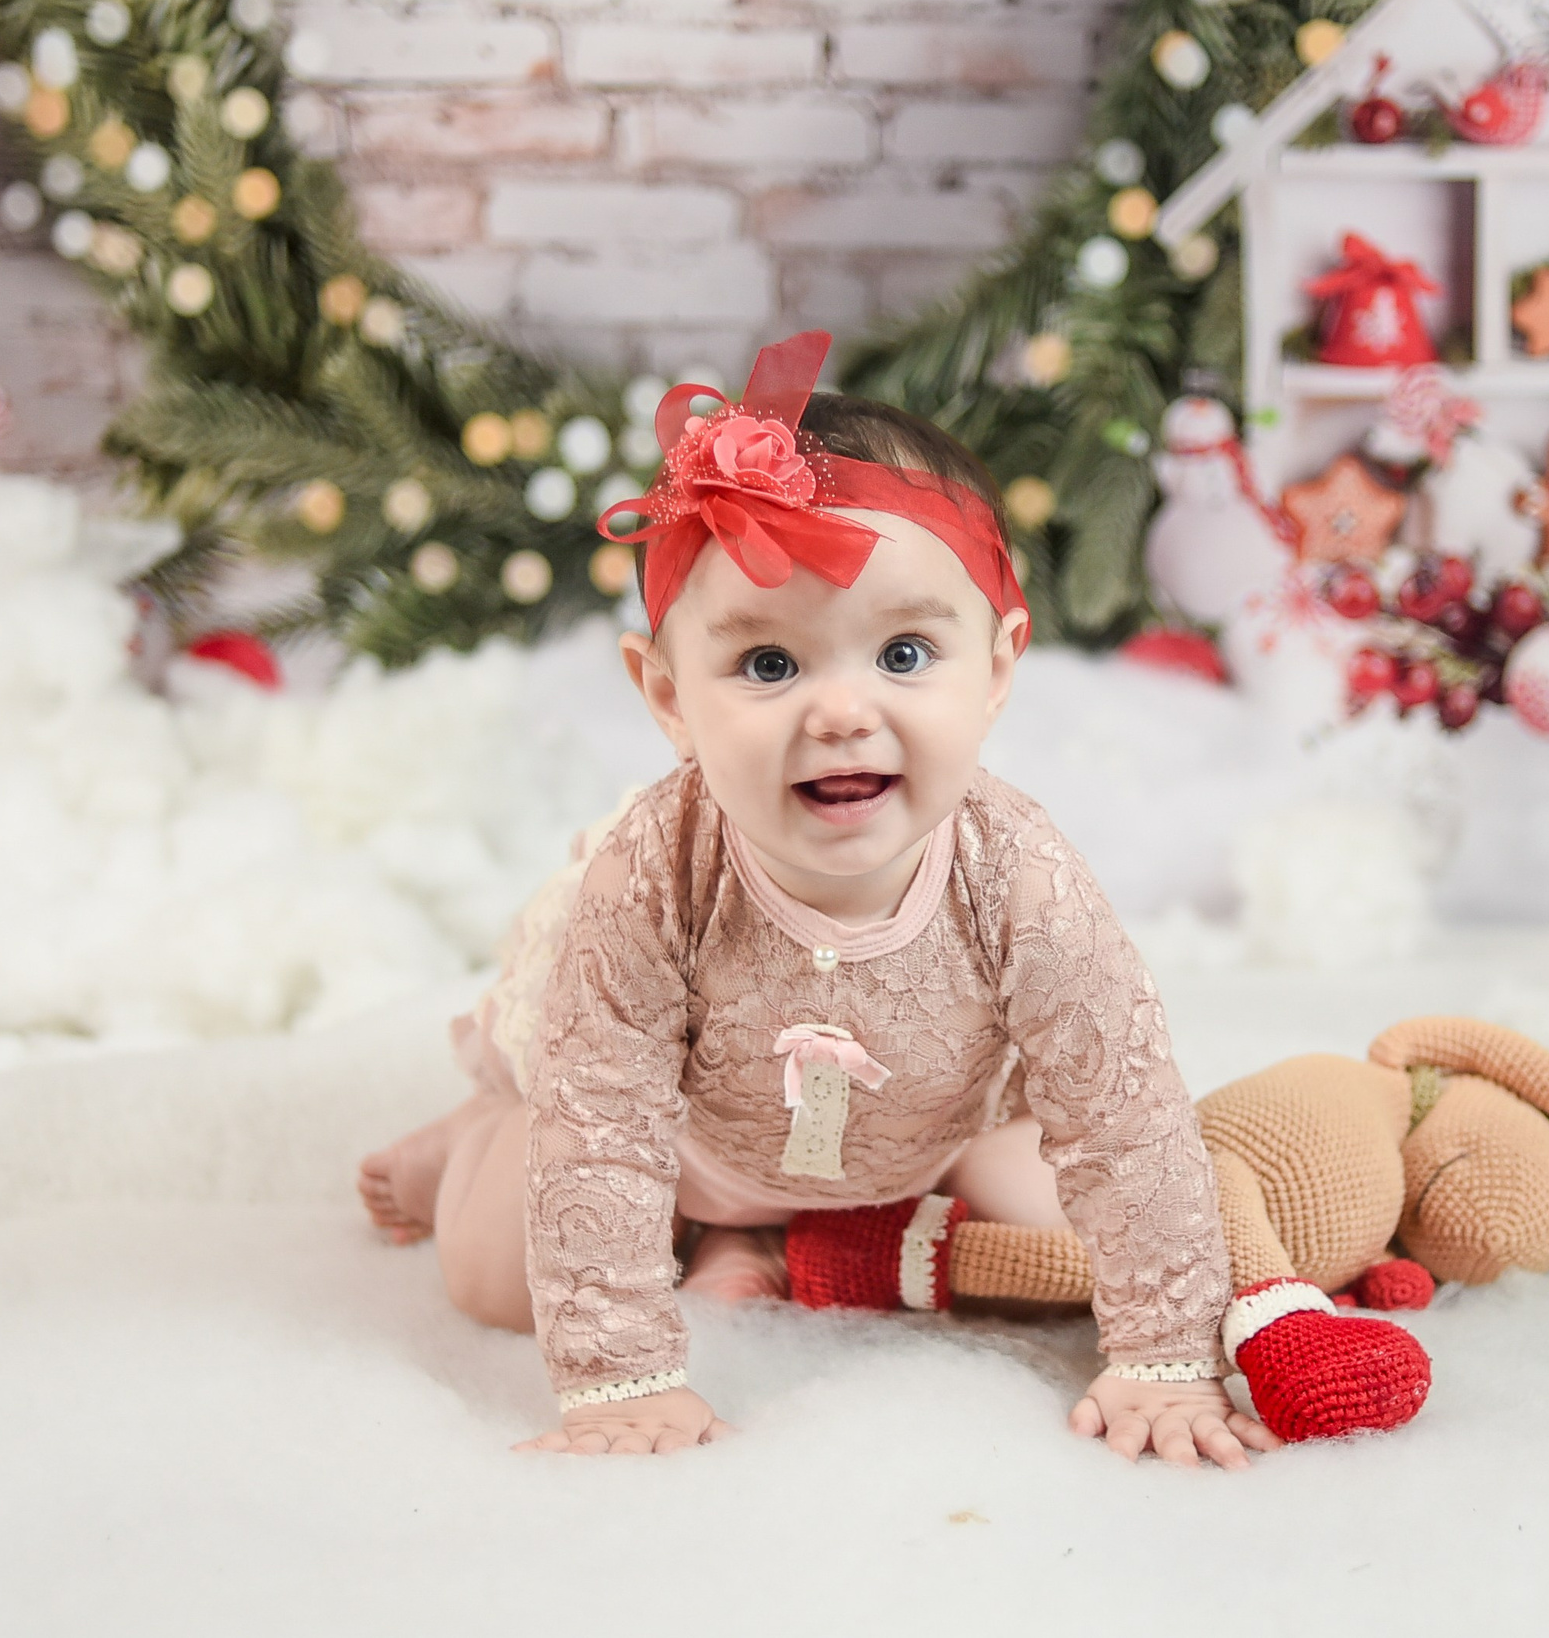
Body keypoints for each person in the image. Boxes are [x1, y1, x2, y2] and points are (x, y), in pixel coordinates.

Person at [358, 332, 1268, 1467]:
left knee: (1050, 1202)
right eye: (770, 666)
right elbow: (604, 1119)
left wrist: (1162, 1357)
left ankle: (770, 1247)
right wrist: (620, 1378)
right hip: (682, 1131)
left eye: (901, 653)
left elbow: (1121, 1109)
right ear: (667, 695)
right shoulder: (655, 872)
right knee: (493, 1273)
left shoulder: (1020, 874)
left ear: (994, 667)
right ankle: (481, 1134)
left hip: (926, 1131)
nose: (842, 712)